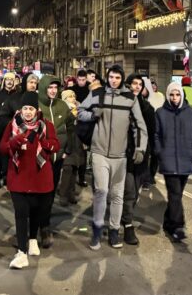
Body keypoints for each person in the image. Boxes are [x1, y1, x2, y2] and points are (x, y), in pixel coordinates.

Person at [77, 65, 147, 250]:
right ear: (107, 77)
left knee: (117, 195)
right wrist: (93, 114)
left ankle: (115, 231)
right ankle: (97, 228)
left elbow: (139, 126)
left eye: (117, 77)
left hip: (120, 156)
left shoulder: (130, 98)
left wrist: (140, 148)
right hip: (99, 152)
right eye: (111, 77)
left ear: (121, 79)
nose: (113, 80)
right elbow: (80, 112)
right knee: (101, 190)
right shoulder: (98, 94)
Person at [0, 92, 60, 269]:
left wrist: (46, 144)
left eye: (31, 109)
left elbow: (56, 144)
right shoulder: (13, 125)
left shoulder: (46, 125)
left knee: (35, 211)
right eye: (25, 108)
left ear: (37, 110)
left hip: (40, 176)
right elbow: (2, 147)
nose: (27, 112)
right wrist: (14, 142)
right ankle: (21, 252)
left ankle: (33, 240)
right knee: (21, 213)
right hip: (18, 176)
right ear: (20, 109)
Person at [154, 81, 192, 243]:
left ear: (182, 95)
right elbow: (156, 135)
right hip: (168, 162)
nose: (174, 98)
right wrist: (159, 152)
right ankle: (178, 226)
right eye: (171, 95)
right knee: (175, 194)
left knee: (177, 195)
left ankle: (168, 221)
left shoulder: (191, 113)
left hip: (186, 162)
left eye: (177, 95)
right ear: (167, 96)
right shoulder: (160, 113)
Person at [36, 75, 74, 248]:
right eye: (49, 87)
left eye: (55, 88)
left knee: (50, 192)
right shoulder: (36, 105)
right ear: (43, 88)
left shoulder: (62, 105)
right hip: (39, 158)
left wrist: (67, 149)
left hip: (58, 158)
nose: (53, 90)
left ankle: (45, 226)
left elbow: (72, 127)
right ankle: (34, 224)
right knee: (38, 192)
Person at [120, 74, 157, 246]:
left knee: (133, 192)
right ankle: (126, 225)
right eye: (133, 84)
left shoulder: (148, 108)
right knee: (126, 192)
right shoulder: (120, 104)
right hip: (121, 155)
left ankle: (124, 217)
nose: (136, 87)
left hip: (140, 157)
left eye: (139, 84)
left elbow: (151, 133)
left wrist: (150, 153)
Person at [57, 89, 83, 206]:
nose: (73, 98)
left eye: (74, 95)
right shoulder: (62, 110)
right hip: (67, 141)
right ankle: (63, 195)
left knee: (74, 169)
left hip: (77, 141)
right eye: (70, 96)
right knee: (67, 168)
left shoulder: (79, 109)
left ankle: (71, 193)